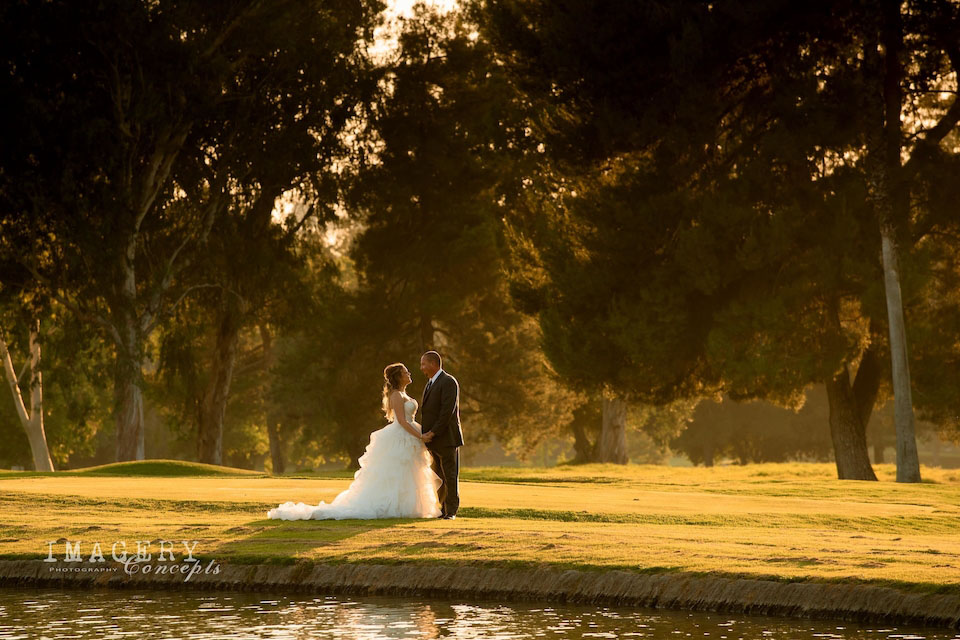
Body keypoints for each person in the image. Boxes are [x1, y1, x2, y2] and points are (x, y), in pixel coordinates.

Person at [266, 363, 441, 520]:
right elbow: (402, 421)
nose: (409, 373)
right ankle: (394, 507)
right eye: (405, 372)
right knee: (397, 471)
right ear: (398, 377)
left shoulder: (403, 394)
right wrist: (421, 436)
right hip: (401, 436)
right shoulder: (396, 395)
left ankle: (408, 506)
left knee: (410, 472)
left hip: (409, 434)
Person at [417, 350, 464, 519]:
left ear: (433, 364)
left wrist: (433, 432)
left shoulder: (448, 382)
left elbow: (447, 411)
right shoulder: (430, 383)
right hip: (433, 440)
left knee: (450, 475)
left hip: (447, 438)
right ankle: (442, 509)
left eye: (424, 364)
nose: (421, 368)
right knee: (439, 476)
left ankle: (451, 511)